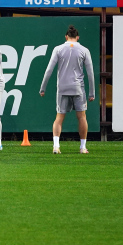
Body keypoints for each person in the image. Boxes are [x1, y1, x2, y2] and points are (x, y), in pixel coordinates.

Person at [39, 25, 96, 154]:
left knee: (59, 117)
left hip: (62, 88)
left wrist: (43, 88)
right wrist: (92, 93)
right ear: (77, 37)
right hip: (78, 88)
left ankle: (56, 146)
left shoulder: (58, 49)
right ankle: (82, 147)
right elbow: (90, 73)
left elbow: (49, 70)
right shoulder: (84, 50)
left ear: (66, 37)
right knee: (82, 117)